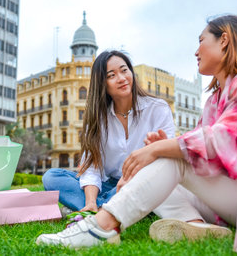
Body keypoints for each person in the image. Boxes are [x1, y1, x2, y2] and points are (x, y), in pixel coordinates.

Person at [36, 15, 237, 248]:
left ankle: (101, 226)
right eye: (111, 75)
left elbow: (224, 140)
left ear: (223, 40)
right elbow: (204, 152)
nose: (196, 51)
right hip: (221, 199)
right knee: (160, 165)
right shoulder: (214, 100)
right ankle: (196, 225)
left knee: (166, 161)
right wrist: (165, 150)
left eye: (201, 40)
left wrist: (162, 148)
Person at [42, 50, 175, 213]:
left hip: (142, 181)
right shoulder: (97, 119)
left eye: (124, 70)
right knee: (51, 177)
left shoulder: (158, 108)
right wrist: (91, 200)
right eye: (111, 75)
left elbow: (166, 158)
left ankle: (99, 209)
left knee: (141, 186)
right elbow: (91, 168)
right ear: (102, 84)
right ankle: (100, 207)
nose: (121, 78)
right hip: (109, 185)